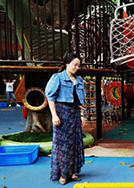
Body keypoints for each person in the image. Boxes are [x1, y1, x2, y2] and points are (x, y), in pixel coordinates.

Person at [45, 53, 86, 185]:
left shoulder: (79, 80)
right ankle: (63, 174)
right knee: (63, 145)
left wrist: (82, 115)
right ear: (67, 64)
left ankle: (72, 172)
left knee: (75, 144)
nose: (77, 67)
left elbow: (80, 101)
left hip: (74, 114)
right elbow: (50, 97)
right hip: (62, 114)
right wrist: (54, 115)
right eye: (75, 64)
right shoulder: (57, 77)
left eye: (79, 65)